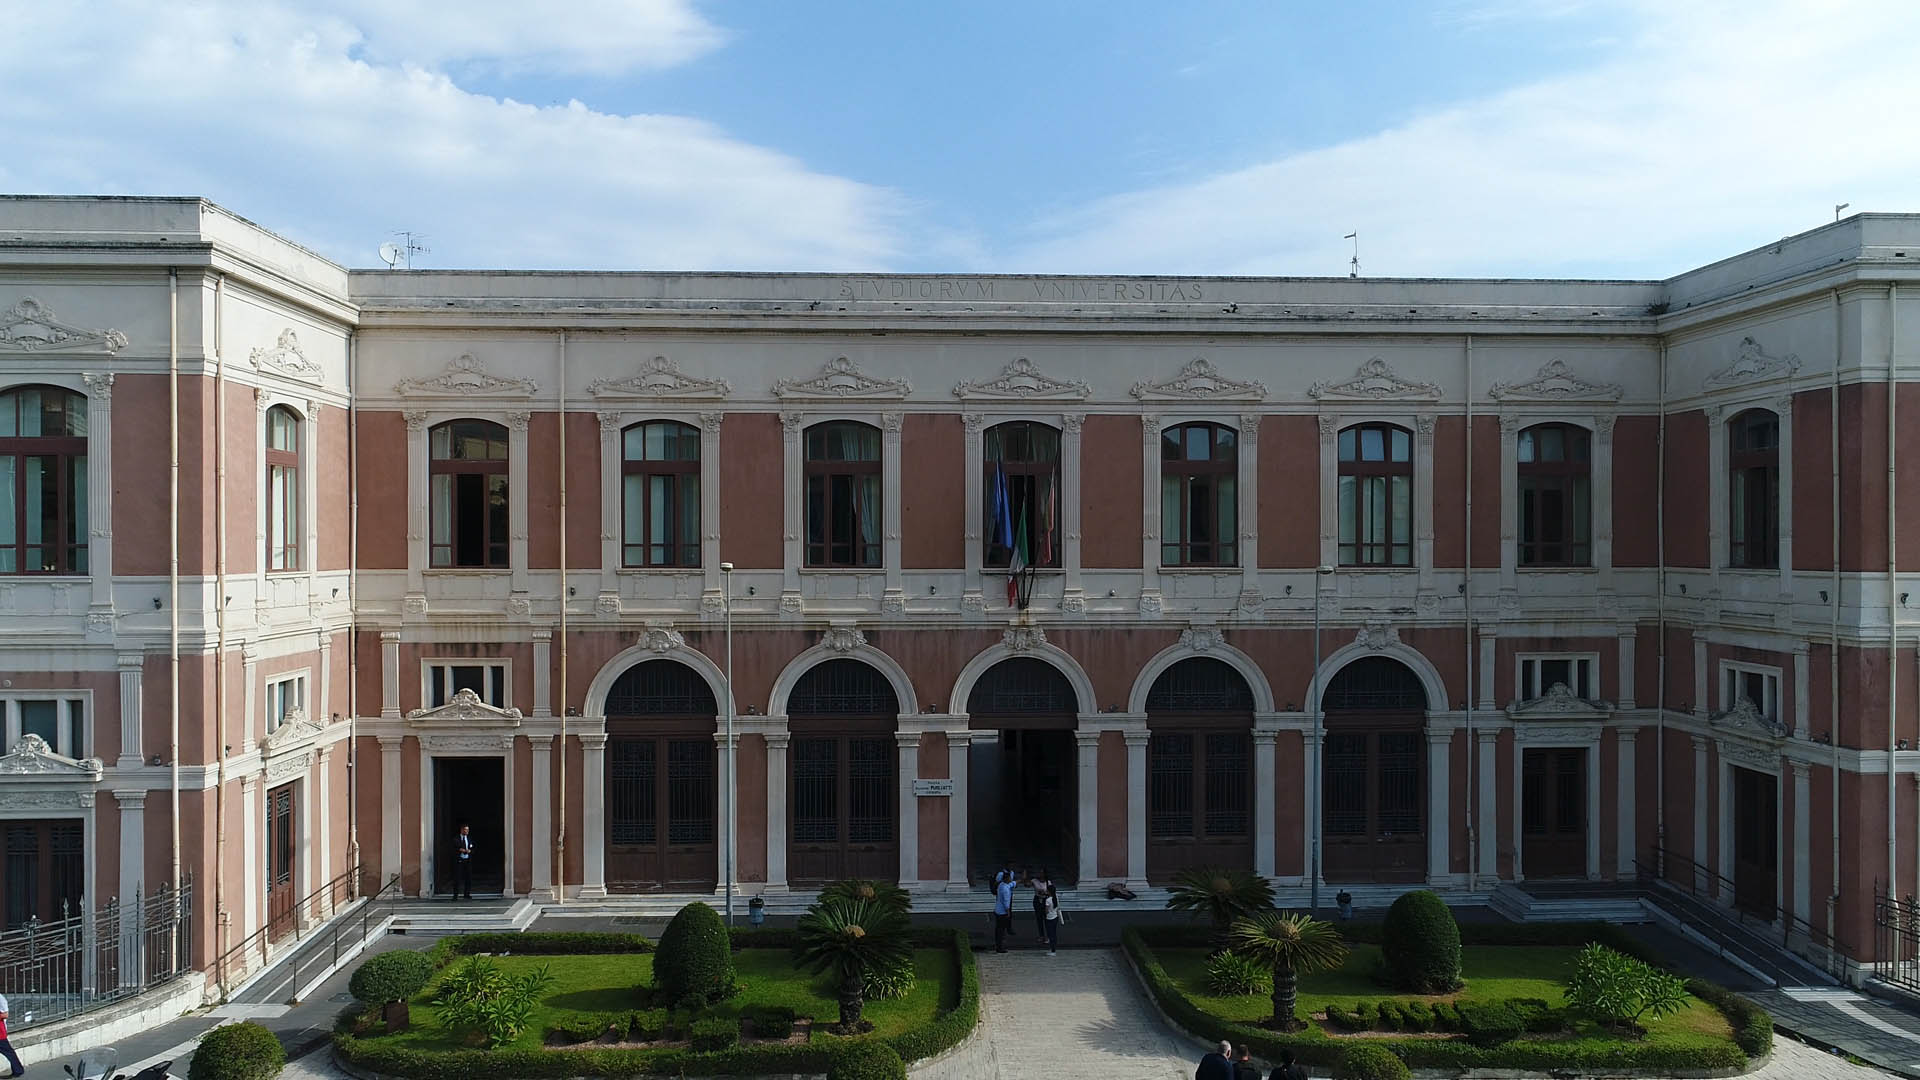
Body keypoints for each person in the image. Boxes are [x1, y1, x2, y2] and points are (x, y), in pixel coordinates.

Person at [0, 990, 23, 1078]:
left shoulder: (0, 999)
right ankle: (18, 1070)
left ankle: (18, 1070)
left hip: (0, 1033)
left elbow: (5, 1015)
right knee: (9, 1052)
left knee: (8, 1052)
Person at [992, 869, 1015, 953]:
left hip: (997, 910)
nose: (1011, 879)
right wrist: (1008, 911)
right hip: (1002, 912)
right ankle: (1000, 947)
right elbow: (1006, 902)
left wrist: (1018, 881)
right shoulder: (1005, 889)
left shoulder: (1001, 885)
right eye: (1010, 878)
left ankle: (998, 945)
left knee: (998, 928)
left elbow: (1012, 883)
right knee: (1001, 930)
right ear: (1007, 879)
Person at [452, 823, 474, 900]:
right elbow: (453, 848)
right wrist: (460, 850)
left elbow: (472, 847)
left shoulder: (469, 838)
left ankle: (467, 894)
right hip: (459, 860)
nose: (467, 831)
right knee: (457, 878)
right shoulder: (456, 839)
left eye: (468, 830)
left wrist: (470, 851)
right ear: (461, 830)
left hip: (467, 860)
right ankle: (455, 895)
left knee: (468, 878)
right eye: (465, 830)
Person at [1029, 867, 1053, 938]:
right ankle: (1041, 935)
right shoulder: (1034, 881)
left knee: (1046, 918)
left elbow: (1051, 892)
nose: (1040, 874)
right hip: (1037, 900)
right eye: (1039, 872)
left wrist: (1045, 893)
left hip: (1045, 900)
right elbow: (1027, 884)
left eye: (1042, 873)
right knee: (1039, 919)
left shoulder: (1048, 882)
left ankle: (1048, 935)